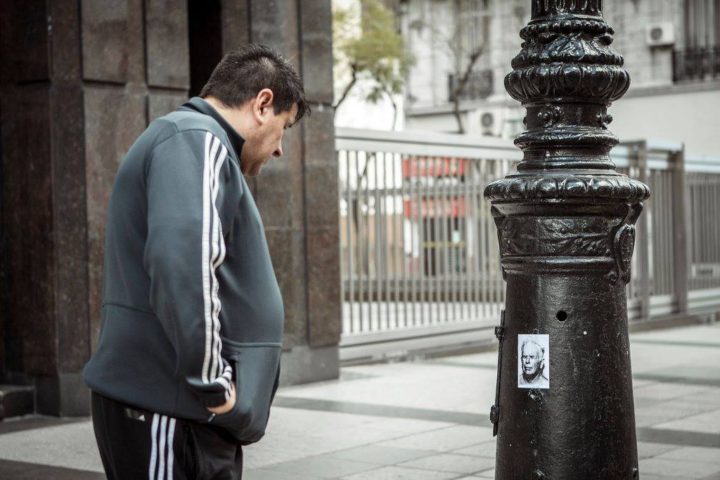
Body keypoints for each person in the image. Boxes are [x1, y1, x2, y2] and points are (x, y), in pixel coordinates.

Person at [83, 44, 309, 480]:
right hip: (174, 408)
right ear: (262, 104)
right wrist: (216, 389)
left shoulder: (194, 141)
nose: (280, 148)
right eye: (285, 126)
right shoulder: (197, 138)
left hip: (176, 409)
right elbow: (183, 264)